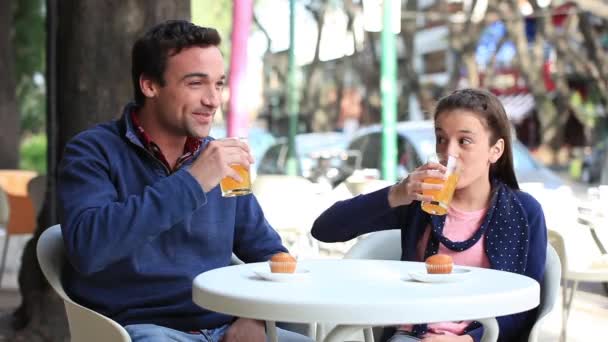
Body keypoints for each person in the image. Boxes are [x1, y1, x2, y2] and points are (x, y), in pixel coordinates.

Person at [58, 20, 311, 342]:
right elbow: (88, 249)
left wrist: (256, 317)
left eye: (218, 84)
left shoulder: (224, 160)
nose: (213, 100)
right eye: (196, 84)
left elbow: (267, 252)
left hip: (228, 327)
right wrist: (193, 181)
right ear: (150, 85)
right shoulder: (92, 151)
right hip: (140, 330)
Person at [311, 88, 547, 342]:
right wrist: (396, 194)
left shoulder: (523, 212)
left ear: (495, 150)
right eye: (441, 139)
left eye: (464, 141)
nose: (449, 153)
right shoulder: (419, 201)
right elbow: (325, 229)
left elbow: (525, 305)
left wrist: (468, 340)